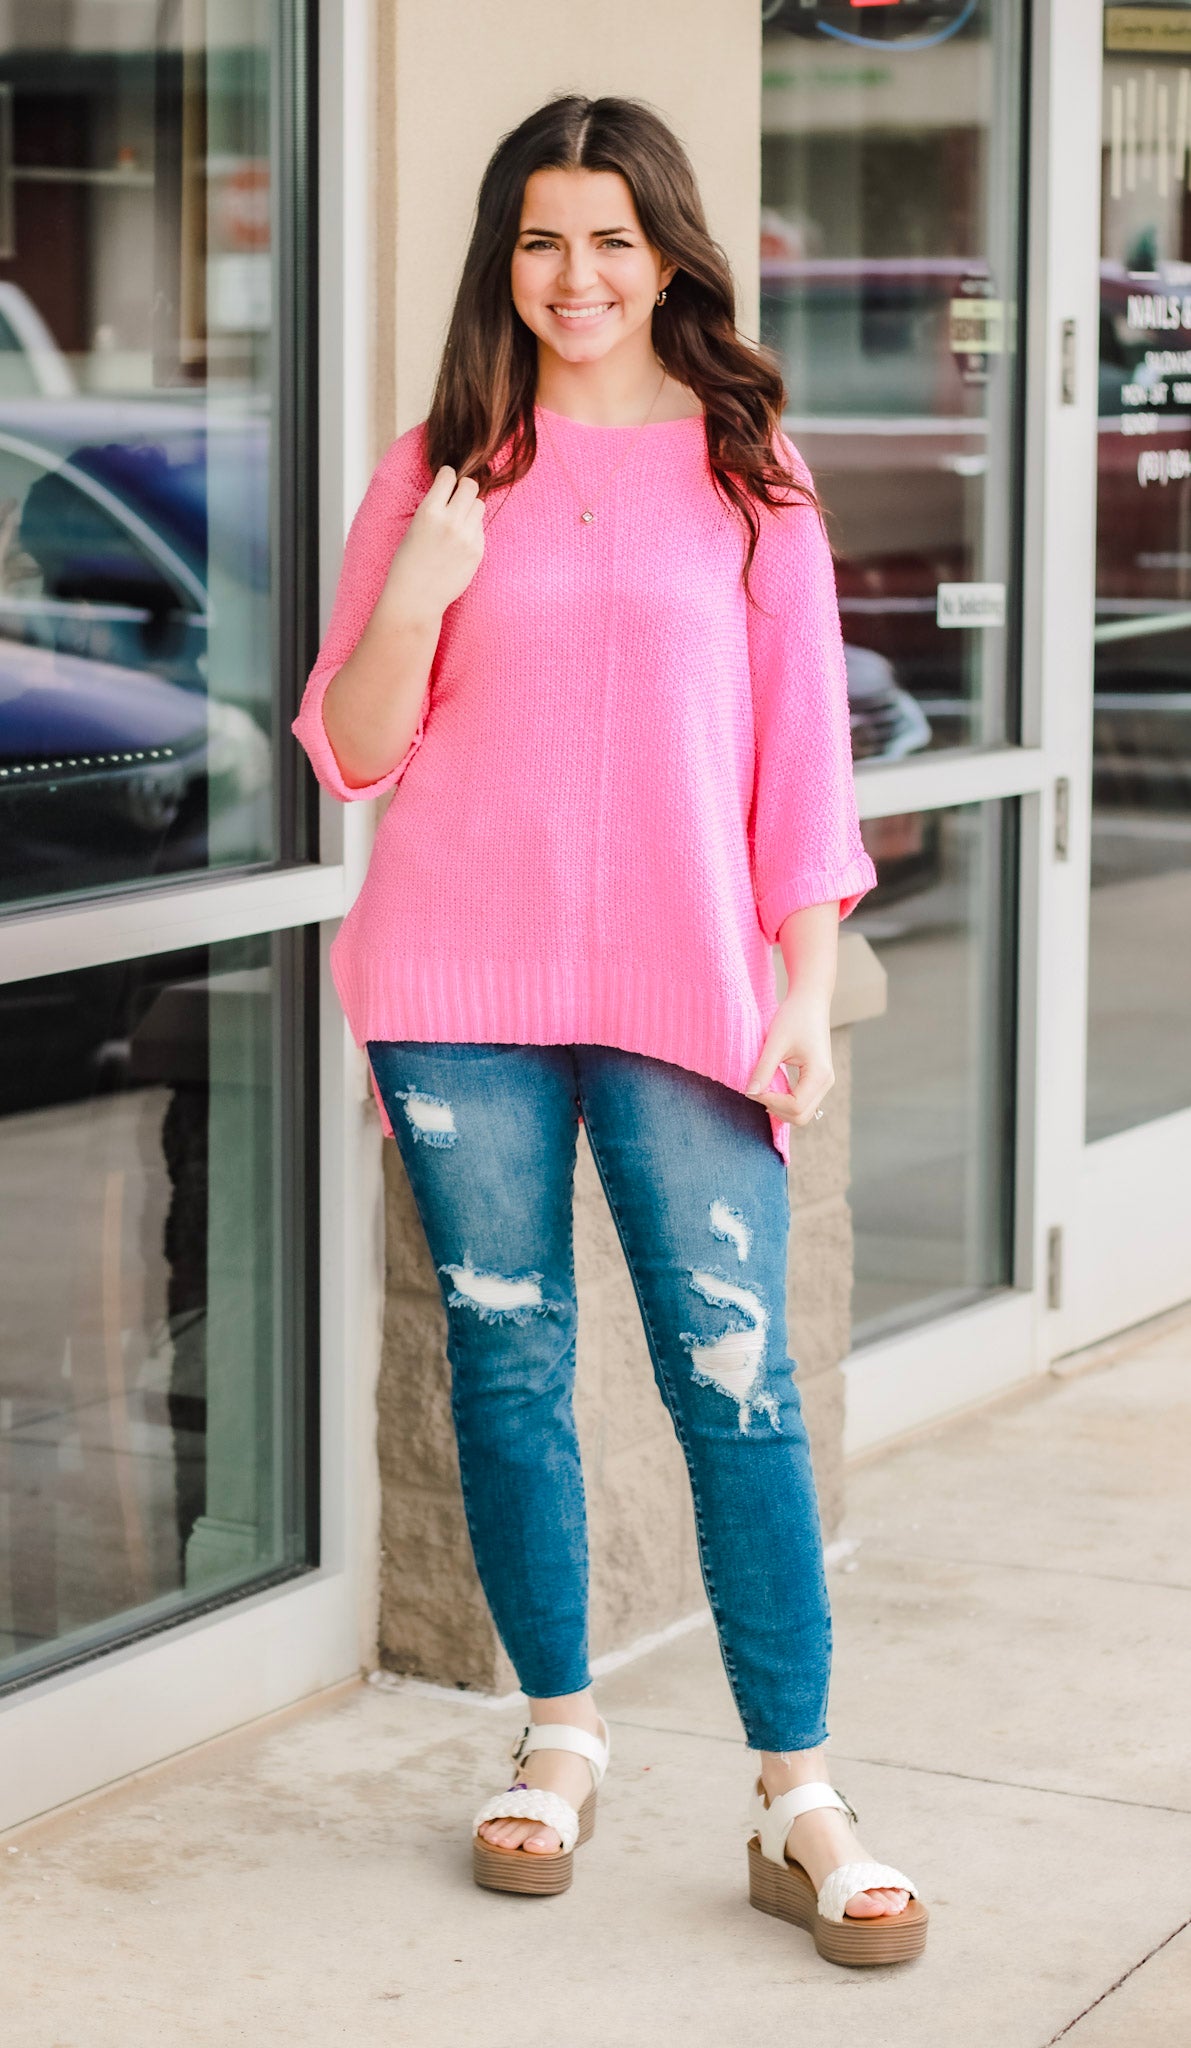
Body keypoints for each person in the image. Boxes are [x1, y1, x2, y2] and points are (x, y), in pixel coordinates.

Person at [293, 93, 928, 1967]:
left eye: (611, 240)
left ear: (667, 256)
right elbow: (353, 752)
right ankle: (559, 1734)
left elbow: (801, 761)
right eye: (541, 240)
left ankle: (798, 1792)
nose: (575, 278)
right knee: (508, 1373)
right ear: (505, 258)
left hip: (687, 995)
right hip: (457, 995)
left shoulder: (748, 467)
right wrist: (421, 588)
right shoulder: (436, 469)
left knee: (736, 1383)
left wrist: (802, 990)